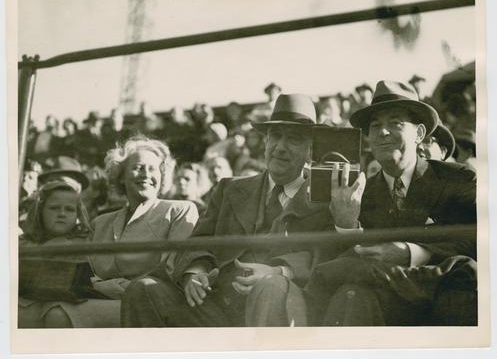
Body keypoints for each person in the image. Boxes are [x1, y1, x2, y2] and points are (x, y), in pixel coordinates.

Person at [122, 93, 333, 327]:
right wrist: (196, 271)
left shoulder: (325, 198)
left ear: (310, 149)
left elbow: (324, 256)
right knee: (143, 290)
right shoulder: (230, 189)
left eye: (293, 139)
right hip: (215, 305)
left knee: (270, 287)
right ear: (265, 141)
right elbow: (199, 240)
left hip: (276, 303)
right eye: (275, 136)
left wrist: (280, 272)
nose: (280, 147)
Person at [306, 80, 477, 326]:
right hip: (382, 310)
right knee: (350, 297)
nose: (383, 132)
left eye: (395, 123)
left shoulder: (458, 179)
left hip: (442, 304)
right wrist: (346, 225)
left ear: (419, 134)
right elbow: (330, 268)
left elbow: (477, 243)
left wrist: (411, 252)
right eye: (375, 126)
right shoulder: (356, 192)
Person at [86, 136, 199, 326]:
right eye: (138, 167)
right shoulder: (100, 222)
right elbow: (87, 273)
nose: (146, 174)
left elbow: (172, 270)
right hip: (101, 299)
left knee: (59, 316)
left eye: (153, 169)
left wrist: (114, 287)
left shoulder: (179, 210)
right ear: (121, 175)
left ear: (162, 176)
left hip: (148, 303)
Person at [18, 180, 93, 328]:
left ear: (78, 214)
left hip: (67, 304)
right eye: (54, 208)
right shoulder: (23, 243)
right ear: (40, 210)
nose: (62, 214)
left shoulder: (85, 243)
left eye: (70, 209)